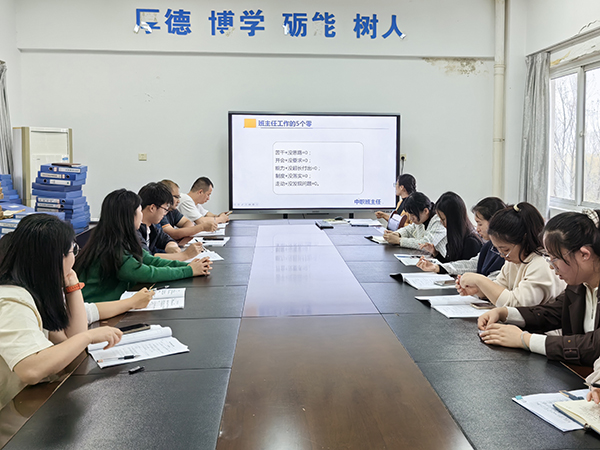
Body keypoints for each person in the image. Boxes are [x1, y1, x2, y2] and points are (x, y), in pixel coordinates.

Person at [0, 214, 123, 409]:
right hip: (12, 413)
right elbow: (31, 370)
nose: (75, 255)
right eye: (73, 250)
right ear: (55, 258)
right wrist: (89, 337)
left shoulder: (35, 291)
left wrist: (72, 285)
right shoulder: (12, 301)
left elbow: (70, 340)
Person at [478, 209, 600, 367]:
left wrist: (525, 340)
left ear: (584, 254)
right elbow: (553, 312)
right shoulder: (579, 286)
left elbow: (593, 345)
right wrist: (505, 313)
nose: (551, 267)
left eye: (555, 258)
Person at [75, 189, 212, 303]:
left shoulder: (122, 238)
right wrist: (189, 271)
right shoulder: (111, 248)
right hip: (95, 311)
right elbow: (147, 273)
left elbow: (151, 260)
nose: (142, 215)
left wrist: (188, 266)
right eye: (140, 211)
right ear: (129, 216)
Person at [457, 202, 565, 307]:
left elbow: (517, 304)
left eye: (505, 249)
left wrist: (480, 280)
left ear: (524, 240)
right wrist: (478, 290)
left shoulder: (542, 264)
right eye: (497, 249)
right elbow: (499, 288)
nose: (502, 255)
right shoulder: (514, 260)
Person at [417, 197, 506, 276]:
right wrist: (437, 267)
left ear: (494, 222)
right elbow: (472, 264)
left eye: (480, 224)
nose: (477, 229)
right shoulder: (488, 246)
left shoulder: (473, 242)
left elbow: (496, 280)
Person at [137, 182, 204, 261]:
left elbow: (166, 239)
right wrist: (185, 255)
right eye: (165, 209)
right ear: (152, 208)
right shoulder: (134, 230)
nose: (165, 213)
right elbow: (147, 259)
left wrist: (171, 246)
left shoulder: (151, 227)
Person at [416, 192, 482, 264]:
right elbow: (449, 263)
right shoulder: (454, 237)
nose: (441, 222)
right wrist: (435, 252)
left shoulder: (471, 242)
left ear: (454, 219)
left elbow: (459, 267)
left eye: (443, 219)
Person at [383, 192, 448, 258]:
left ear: (425, 211)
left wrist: (399, 241)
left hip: (442, 261)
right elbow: (410, 229)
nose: (410, 218)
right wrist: (397, 234)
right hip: (427, 258)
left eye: (413, 215)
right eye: (409, 214)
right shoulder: (422, 218)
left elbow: (425, 244)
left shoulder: (438, 221)